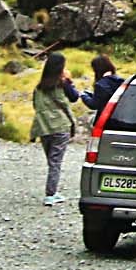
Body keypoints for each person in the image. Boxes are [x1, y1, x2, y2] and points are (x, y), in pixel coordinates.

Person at [29, 52, 81, 206]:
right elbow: (74, 97)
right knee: (55, 161)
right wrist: (69, 81)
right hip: (60, 127)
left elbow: (35, 106)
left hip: (44, 127)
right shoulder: (62, 85)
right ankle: (50, 194)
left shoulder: (39, 87)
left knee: (51, 161)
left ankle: (52, 190)